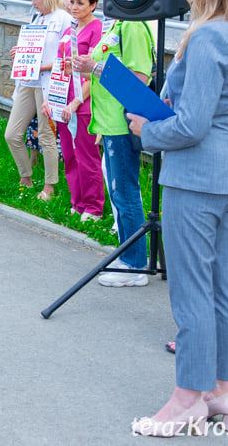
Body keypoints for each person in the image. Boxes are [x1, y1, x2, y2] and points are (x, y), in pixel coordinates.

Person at [125, 0, 228, 438]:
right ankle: (223, 392)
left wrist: (147, 131)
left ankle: (188, 399)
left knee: (190, 292)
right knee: (225, 286)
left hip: (196, 177)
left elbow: (190, 125)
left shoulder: (208, 36)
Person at [72, 22, 156, 287]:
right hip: (109, 121)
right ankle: (128, 254)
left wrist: (93, 67)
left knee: (125, 192)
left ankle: (135, 265)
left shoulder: (132, 27)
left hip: (122, 123)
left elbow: (139, 78)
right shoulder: (118, 24)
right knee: (118, 193)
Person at [41, 0, 104, 221]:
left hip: (82, 102)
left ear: (93, 5)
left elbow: (92, 71)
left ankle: (94, 207)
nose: (74, 7)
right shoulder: (71, 28)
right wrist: (50, 99)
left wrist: (76, 102)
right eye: (71, 1)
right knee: (69, 154)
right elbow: (60, 67)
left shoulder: (96, 30)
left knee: (87, 156)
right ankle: (77, 202)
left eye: (81, 3)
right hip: (62, 100)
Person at [5, 0, 67, 200]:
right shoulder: (36, 20)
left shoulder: (64, 19)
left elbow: (66, 57)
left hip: (47, 83)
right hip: (28, 81)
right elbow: (30, 49)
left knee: (46, 134)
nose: (33, 3)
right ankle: (26, 176)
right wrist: (18, 53)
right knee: (12, 133)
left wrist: (44, 66)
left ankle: (50, 185)